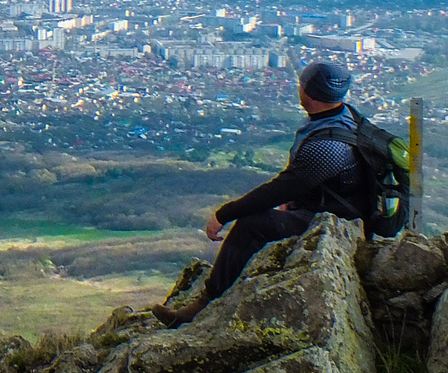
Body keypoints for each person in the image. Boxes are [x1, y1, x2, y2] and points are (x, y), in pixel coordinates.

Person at [150, 61, 366, 328]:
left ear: (307, 94)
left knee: (251, 225)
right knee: (265, 219)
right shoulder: (343, 119)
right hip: (333, 210)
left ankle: (200, 307)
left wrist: (225, 213)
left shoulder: (327, 144)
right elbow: (303, 182)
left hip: (333, 222)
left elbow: (279, 189)